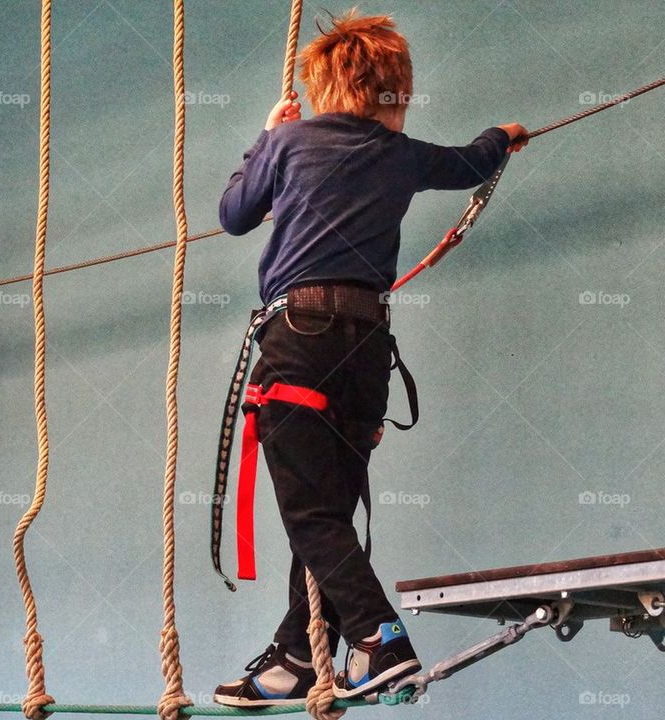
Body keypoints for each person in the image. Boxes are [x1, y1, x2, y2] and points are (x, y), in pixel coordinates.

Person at [211, 8, 528, 707]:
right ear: (396, 92)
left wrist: (265, 134)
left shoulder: (291, 141)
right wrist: (503, 136)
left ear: (322, 88)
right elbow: (473, 160)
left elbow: (234, 212)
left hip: (301, 338)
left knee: (310, 514)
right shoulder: (403, 155)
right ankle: (299, 650)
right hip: (365, 349)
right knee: (327, 508)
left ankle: (377, 636)